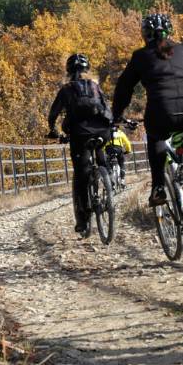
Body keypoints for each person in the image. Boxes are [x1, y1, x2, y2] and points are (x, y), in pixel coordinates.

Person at [111, 13, 183, 211]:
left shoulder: (140, 56)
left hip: (162, 112)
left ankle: (158, 188)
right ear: (170, 32)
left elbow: (123, 90)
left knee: (156, 138)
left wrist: (116, 115)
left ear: (145, 35)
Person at [47, 53, 113, 237]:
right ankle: (107, 179)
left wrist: (53, 130)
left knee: (81, 173)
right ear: (87, 70)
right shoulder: (95, 86)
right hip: (102, 131)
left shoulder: (67, 89)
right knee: (100, 151)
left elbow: (54, 114)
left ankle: (83, 221)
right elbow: (107, 108)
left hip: (80, 134)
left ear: (68, 72)